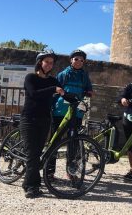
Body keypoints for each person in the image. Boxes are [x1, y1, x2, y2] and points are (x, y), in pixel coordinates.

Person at [20, 50, 64, 198]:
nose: (49, 65)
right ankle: (31, 186)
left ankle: (31, 181)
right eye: (47, 62)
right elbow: (34, 94)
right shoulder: (30, 78)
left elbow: (63, 92)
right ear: (40, 63)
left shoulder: (52, 80)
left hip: (44, 119)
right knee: (32, 154)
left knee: (37, 153)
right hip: (29, 119)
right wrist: (53, 89)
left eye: (51, 63)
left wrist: (76, 100)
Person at [51, 49, 93, 132]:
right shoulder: (63, 74)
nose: (79, 62)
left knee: (74, 138)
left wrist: (88, 93)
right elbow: (55, 91)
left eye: (81, 60)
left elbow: (89, 90)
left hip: (76, 111)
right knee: (56, 136)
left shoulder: (84, 76)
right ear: (71, 60)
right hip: (60, 110)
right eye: (76, 59)